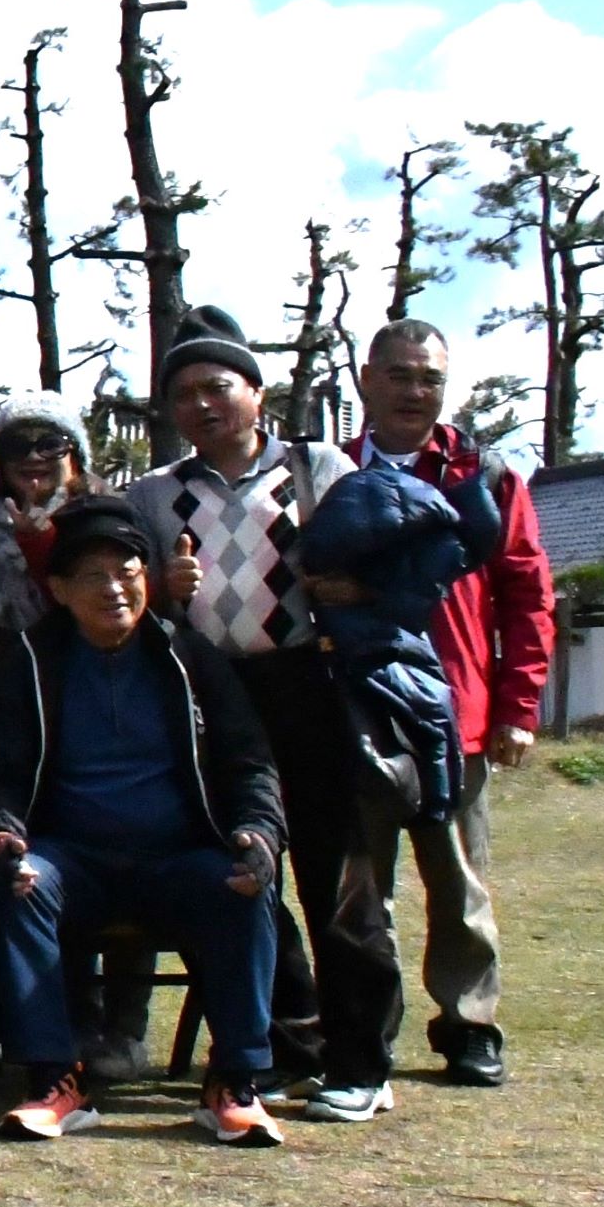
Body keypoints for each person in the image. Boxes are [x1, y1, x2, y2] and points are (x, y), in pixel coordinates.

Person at [0, 497, 290, 1148]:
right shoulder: (30, 662)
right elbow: (2, 770)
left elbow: (250, 761)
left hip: (178, 855)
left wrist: (259, 830)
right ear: (59, 590)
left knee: (244, 881)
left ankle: (234, 1081)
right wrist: (3, 828)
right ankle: (53, 1077)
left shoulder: (190, 657)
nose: (114, 586)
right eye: (92, 575)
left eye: (127, 569)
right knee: (23, 882)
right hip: (73, 857)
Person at [121, 305, 353, 1102]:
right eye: (182, 395)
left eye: (217, 386)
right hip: (210, 691)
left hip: (309, 680)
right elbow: (126, 601)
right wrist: (163, 590)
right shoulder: (156, 494)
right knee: (245, 862)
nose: (201, 406)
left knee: (334, 865)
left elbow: (379, 559)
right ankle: (292, 1031)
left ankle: (358, 1048)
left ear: (257, 391)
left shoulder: (318, 467)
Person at [343, 317, 550, 1088]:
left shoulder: (482, 476)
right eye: (399, 374)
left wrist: (517, 705)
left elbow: (527, 594)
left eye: (430, 377)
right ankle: (365, 1026)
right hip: (357, 707)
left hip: (455, 709)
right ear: (366, 378)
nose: (414, 391)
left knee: (458, 881)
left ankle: (470, 1023)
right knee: (359, 883)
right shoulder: (326, 468)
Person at [0, 391, 97, 658]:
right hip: (7, 673)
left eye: (50, 445)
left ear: (74, 457)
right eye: (16, 446)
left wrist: (38, 541)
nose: (33, 457)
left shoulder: (103, 517)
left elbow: (94, 604)